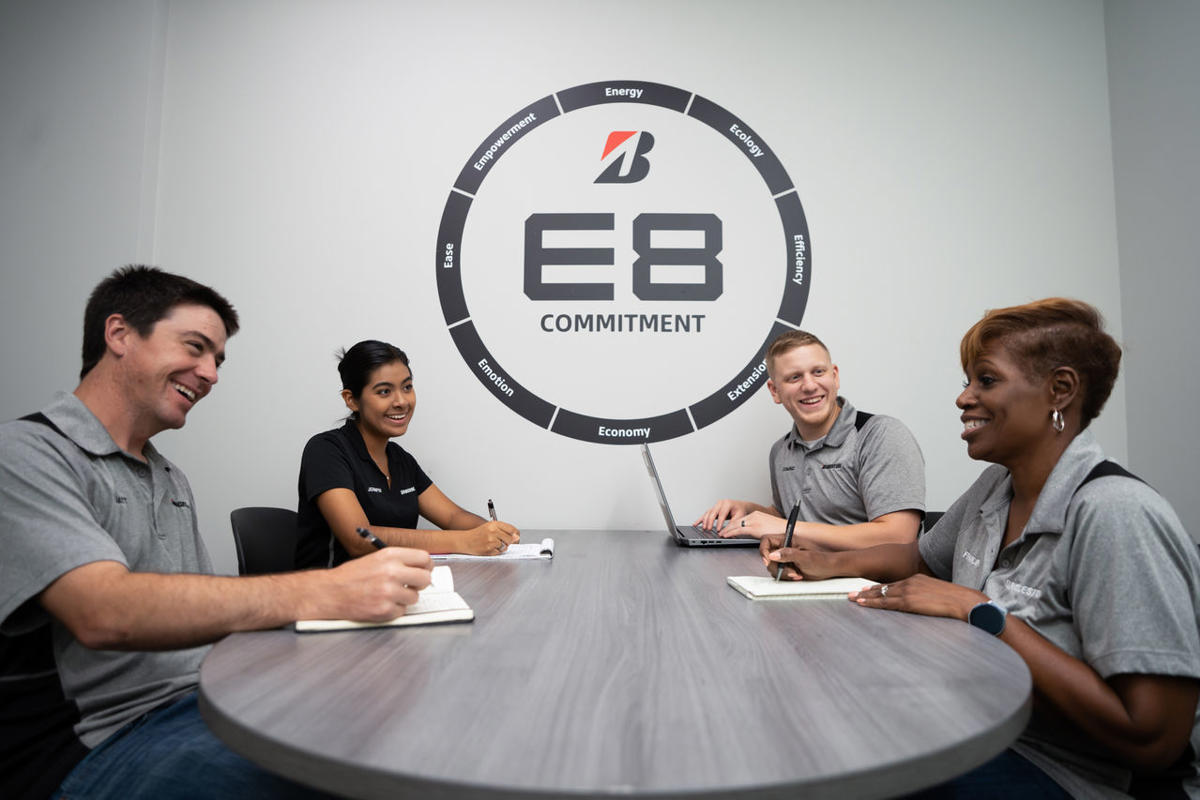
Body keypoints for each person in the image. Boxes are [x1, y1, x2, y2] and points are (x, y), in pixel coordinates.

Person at [0, 266, 434, 800]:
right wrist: (325, 592)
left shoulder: (169, 477)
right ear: (119, 335)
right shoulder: (24, 453)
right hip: (102, 743)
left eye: (218, 360)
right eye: (195, 347)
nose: (210, 373)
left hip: (206, 703)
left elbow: (206, 621)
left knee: (394, 731)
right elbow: (103, 612)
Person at [762, 298, 1200, 798]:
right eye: (967, 381)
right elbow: (920, 558)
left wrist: (979, 611)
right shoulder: (995, 486)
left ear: (1060, 391)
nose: (963, 398)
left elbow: (1154, 739)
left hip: (1069, 773)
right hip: (975, 726)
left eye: (986, 381)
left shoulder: (1116, 513)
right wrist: (826, 564)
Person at [294, 340, 519, 569]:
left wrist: (492, 533)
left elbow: (452, 517)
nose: (401, 401)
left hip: (391, 590)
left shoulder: (400, 459)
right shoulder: (326, 450)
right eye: (384, 391)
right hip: (331, 595)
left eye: (407, 387)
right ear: (351, 400)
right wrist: (465, 541)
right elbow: (359, 538)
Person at [696, 329, 926, 549]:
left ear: (834, 376)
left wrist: (787, 527)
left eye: (818, 372)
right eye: (794, 377)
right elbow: (794, 518)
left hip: (873, 585)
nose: (809, 386)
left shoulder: (881, 434)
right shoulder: (781, 451)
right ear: (774, 391)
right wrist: (749, 511)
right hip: (807, 577)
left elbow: (898, 537)